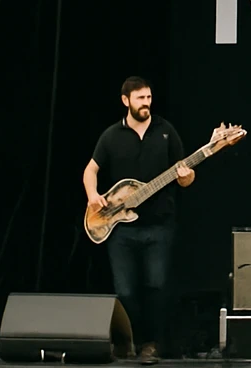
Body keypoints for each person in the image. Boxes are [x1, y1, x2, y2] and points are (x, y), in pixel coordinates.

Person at [84, 77, 196, 364]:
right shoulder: (111, 136)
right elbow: (90, 171)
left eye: (148, 97)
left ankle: (151, 344)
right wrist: (93, 195)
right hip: (121, 229)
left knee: (156, 285)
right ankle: (128, 341)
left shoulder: (165, 131)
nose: (146, 103)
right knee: (125, 290)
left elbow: (185, 174)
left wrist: (186, 177)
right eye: (140, 98)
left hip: (159, 225)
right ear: (126, 101)